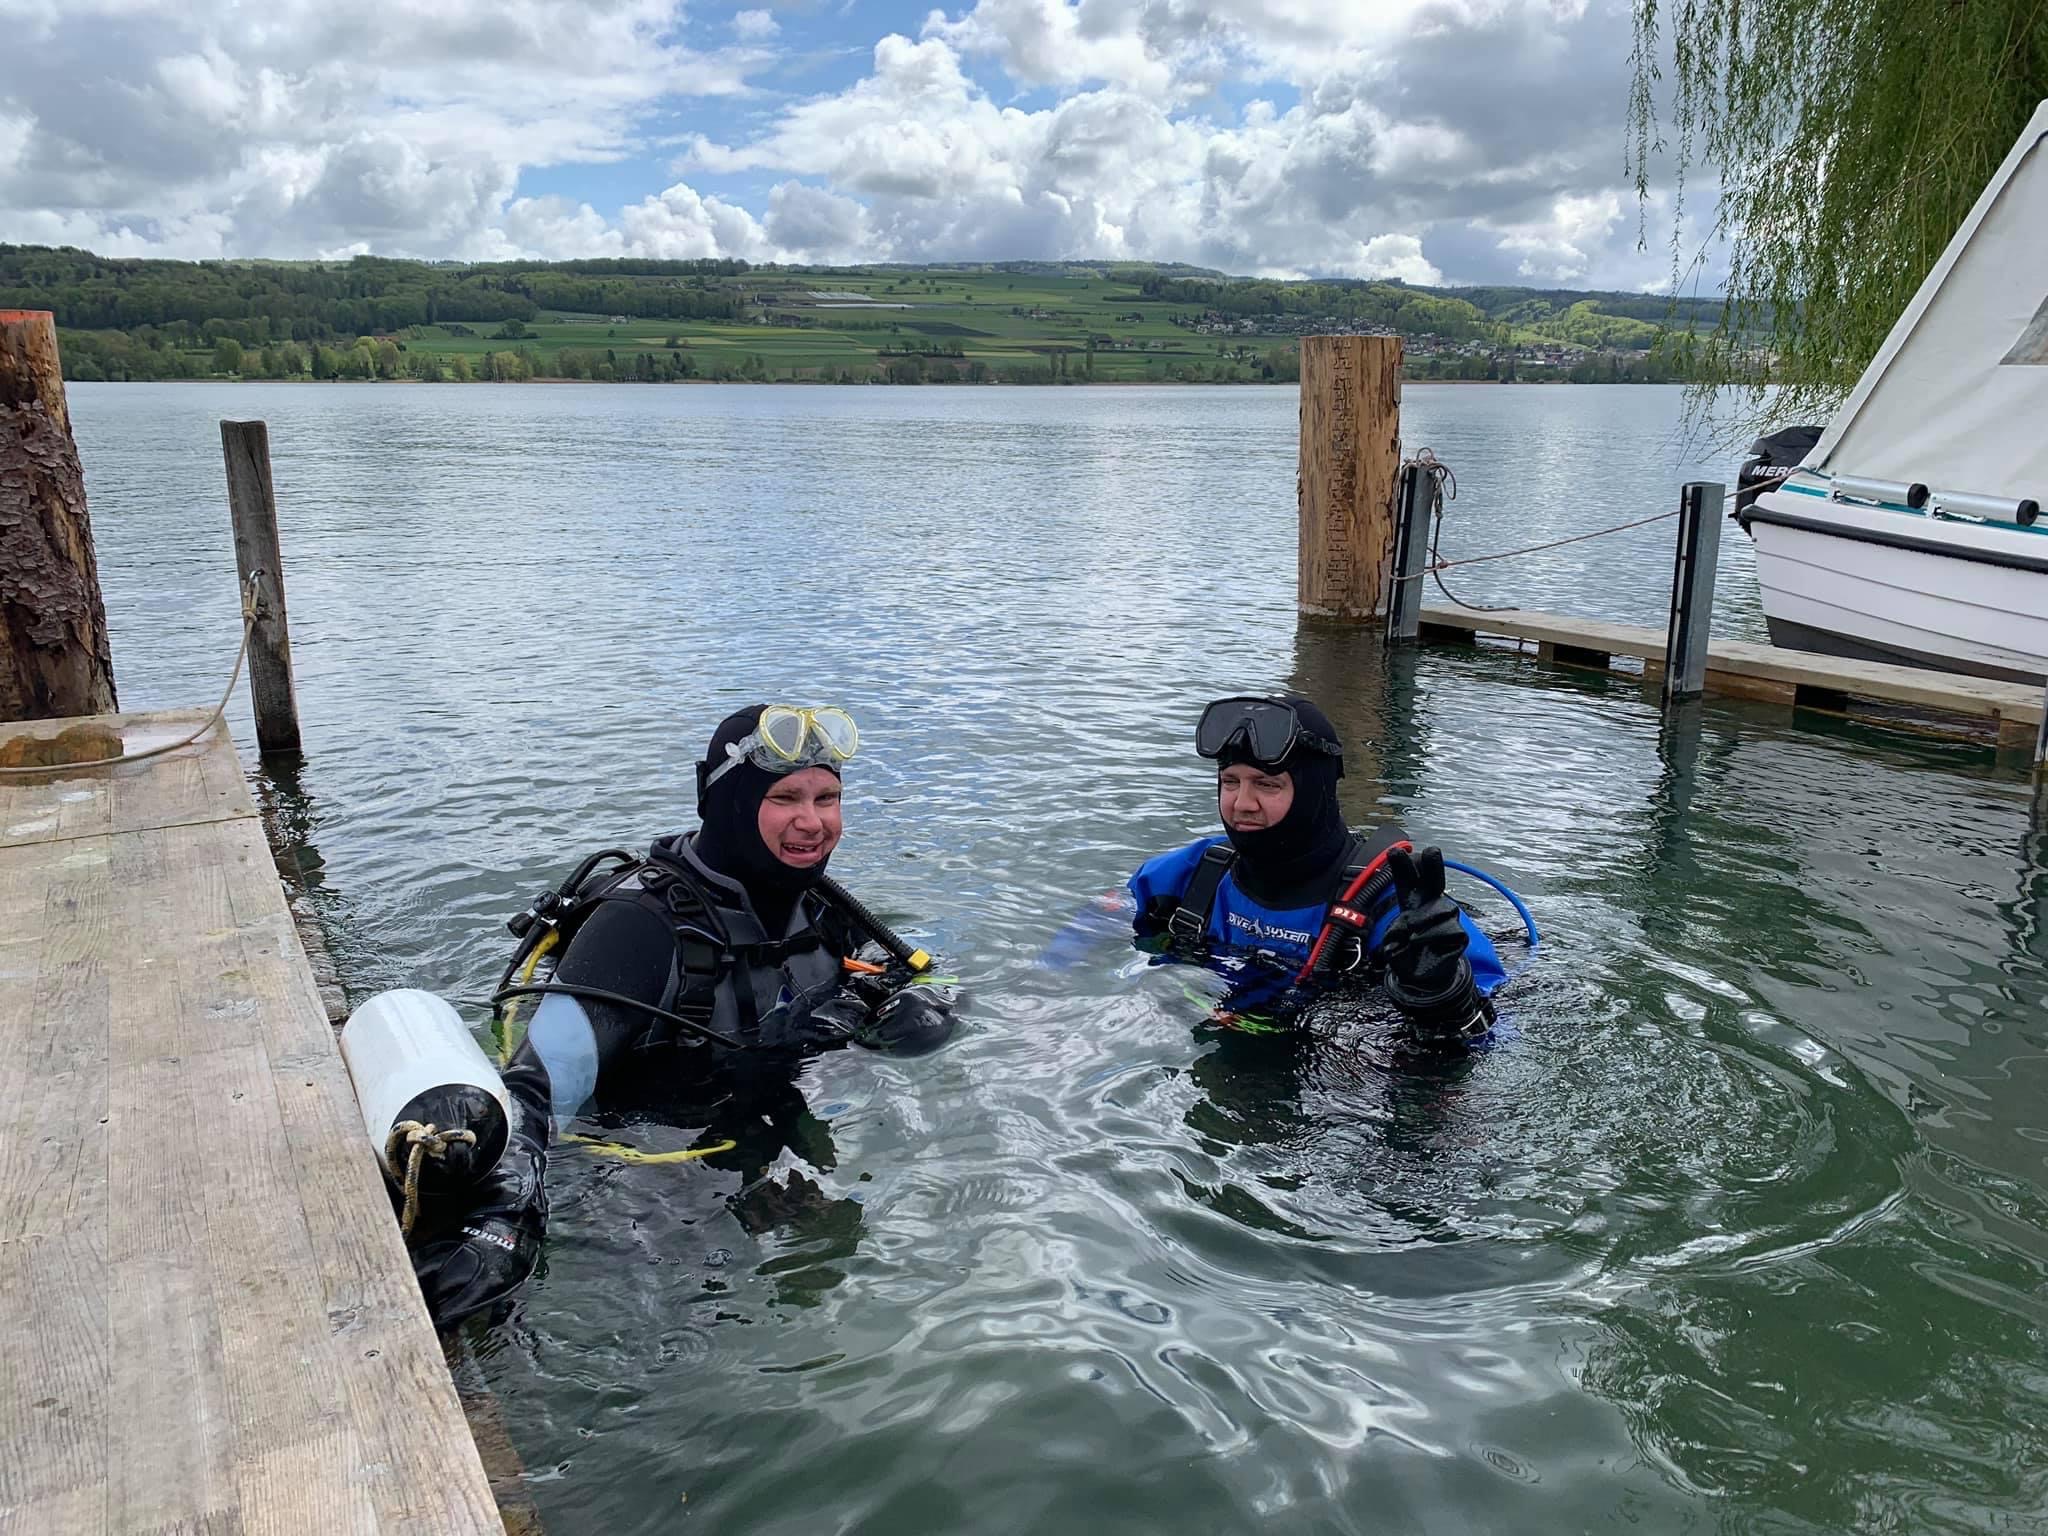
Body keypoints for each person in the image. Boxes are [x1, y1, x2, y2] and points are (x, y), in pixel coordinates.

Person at [407, 703, 957, 1328]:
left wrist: (922, 1004)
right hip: (644, 1159)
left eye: (827, 798)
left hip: (772, 1124)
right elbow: (536, 1087)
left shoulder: (823, 908)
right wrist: (502, 1217)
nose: (812, 822)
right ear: (726, 804)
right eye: (786, 798)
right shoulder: (639, 926)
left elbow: (919, 973)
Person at [1128, 693, 1507, 1039]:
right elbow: (1091, 936)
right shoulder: (1192, 873)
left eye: (1266, 784)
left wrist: (1439, 992)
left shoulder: (1399, 909)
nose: (1242, 803)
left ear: (1314, 791)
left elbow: (1496, 1034)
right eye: (1230, 781)